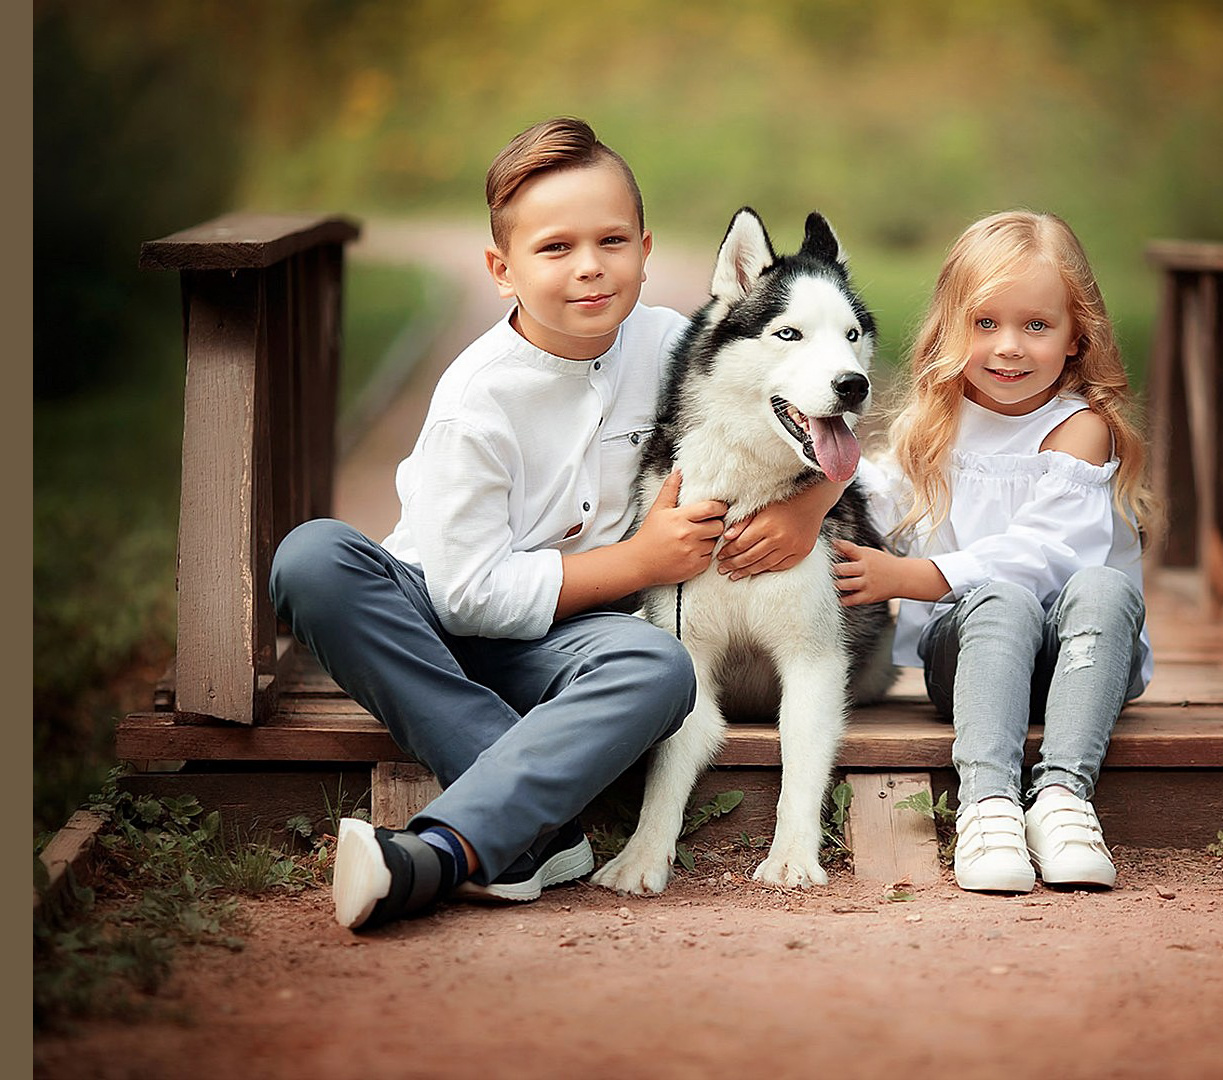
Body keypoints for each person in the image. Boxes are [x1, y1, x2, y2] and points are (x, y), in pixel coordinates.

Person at [269, 117, 839, 930]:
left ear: (645, 248)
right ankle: (515, 834)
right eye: (555, 248)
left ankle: (464, 847)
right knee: (312, 558)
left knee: (660, 668)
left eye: (612, 241)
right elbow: (467, 597)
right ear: (502, 271)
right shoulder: (478, 399)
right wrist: (641, 562)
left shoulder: (679, 347)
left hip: (572, 646)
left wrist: (809, 505)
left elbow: (821, 410)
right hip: (433, 628)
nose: (590, 266)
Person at [834, 210, 1162, 892]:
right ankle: (988, 805)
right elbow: (875, 498)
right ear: (951, 329)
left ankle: (1063, 799)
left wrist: (911, 576)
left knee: (1106, 588)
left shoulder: (1080, 429)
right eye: (985, 323)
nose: (1008, 347)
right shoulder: (938, 424)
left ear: (1077, 337)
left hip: (1082, 660)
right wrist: (812, 478)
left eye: (1036, 325)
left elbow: (1042, 554)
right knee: (1000, 602)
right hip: (969, 661)